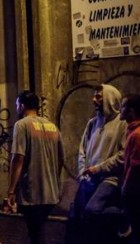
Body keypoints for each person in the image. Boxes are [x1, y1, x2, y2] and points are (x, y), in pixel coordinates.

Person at [69, 84, 127, 244]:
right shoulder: (92, 123)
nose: (94, 100)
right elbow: (82, 150)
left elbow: (123, 155)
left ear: (110, 98)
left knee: (91, 210)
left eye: (99, 97)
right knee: (76, 213)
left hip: (109, 179)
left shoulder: (122, 124)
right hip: (89, 178)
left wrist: (99, 168)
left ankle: (124, 217)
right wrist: (82, 171)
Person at [7, 91, 65, 244]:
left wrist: (11, 190)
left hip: (32, 191)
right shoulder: (52, 126)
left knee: (35, 232)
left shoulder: (22, 125)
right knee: (36, 231)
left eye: (17, 105)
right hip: (50, 192)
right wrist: (54, 179)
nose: (17, 108)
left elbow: (18, 158)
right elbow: (61, 159)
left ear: (23, 106)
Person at [121, 94, 140, 244]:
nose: (120, 110)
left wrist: (125, 190)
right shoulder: (131, 131)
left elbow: (135, 166)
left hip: (135, 191)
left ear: (131, 111)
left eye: (123, 106)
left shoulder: (138, 134)